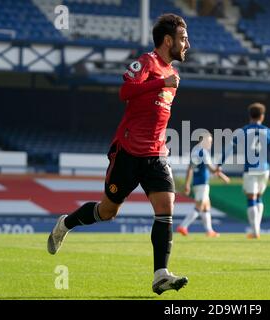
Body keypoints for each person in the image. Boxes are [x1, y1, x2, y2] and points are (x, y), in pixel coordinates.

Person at [47, 13, 191, 295]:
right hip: (128, 152)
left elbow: (157, 115)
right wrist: (160, 84)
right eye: (184, 39)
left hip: (156, 154)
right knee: (107, 211)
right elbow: (125, 91)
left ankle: (160, 274)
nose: (188, 44)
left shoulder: (174, 74)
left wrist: (162, 141)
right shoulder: (148, 62)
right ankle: (65, 224)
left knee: (166, 209)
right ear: (167, 40)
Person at [221, 102, 270, 239]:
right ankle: (256, 230)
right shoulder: (269, 132)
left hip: (251, 169)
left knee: (251, 198)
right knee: (259, 197)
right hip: (265, 169)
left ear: (250, 115)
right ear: (262, 116)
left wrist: (219, 164)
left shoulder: (243, 131)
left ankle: (255, 231)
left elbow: (229, 149)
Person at [177, 133, 230, 237]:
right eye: (209, 141)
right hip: (202, 183)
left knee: (206, 207)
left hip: (198, 183)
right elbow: (211, 169)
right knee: (199, 207)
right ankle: (183, 226)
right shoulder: (203, 152)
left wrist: (187, 184)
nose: (210, 144)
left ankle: (209, 231)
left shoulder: (196, 151)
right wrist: (219, 170)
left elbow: (190, 169)